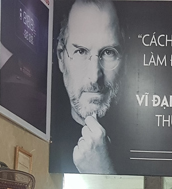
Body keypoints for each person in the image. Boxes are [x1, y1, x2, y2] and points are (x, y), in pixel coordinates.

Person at [52, 0, 123, 174]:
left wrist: (104, 171)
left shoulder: (151, 146)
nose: (95, 76)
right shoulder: (42, 144)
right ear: (61, 58)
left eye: (108, 52)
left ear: (125, 61)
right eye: (81, 51)